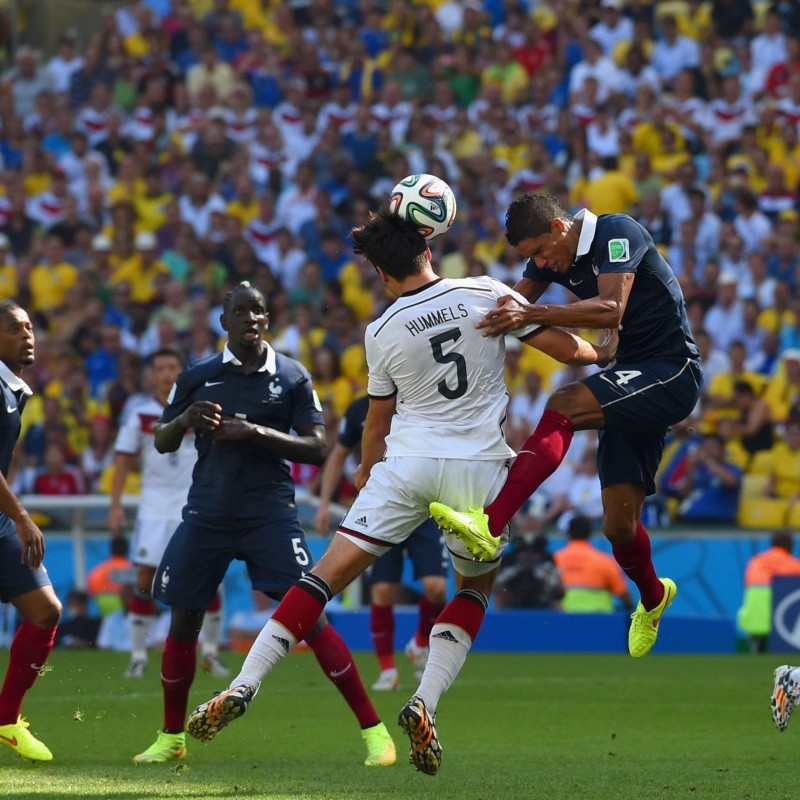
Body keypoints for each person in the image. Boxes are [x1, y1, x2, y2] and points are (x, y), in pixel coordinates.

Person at [185, 211, 616, 776]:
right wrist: (603, 349)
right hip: (478, 469)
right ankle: (424, 701)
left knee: (322, 578)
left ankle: (245, 684)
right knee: (473, 589)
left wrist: (367, 470)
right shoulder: (484, 292)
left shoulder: (382, 329)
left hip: (407, 464)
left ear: (384, 276)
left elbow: (376, 421)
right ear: (428, 248)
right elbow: (568, 352)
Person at [133, 282, 396, 768]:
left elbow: (318, 448)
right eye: (241, 311)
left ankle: (375, 734)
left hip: (269, 515)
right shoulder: (198, 375)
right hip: (207, 513)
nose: (251, 318)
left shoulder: (292, 376)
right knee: (185, 619)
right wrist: (186, 417)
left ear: (268, 321)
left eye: (258, 311)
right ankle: (171, 736)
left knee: (311, 619)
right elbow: (163, 442)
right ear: (224, 321)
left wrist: (255, 431)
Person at [431, 193, 703, 659]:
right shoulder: (553, 260)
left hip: (672, 369)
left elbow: (610, 309)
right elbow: (510, 303)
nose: (540, 263)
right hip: (630, 375)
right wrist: (446, 324)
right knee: (619, 525)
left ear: (559, 228)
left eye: (539, 251)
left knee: (566, 401)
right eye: (531, 257)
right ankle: (655, 597)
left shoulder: (618, 232)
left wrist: (531, 314)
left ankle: (492, 522)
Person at [108, 346, 228, 679]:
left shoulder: (202, 410)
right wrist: (115, 504)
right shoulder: (141, 413)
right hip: (154, 506)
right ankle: (138, 655)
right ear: (151, 374)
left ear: (181, 372)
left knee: (210, 578)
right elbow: (122, 460)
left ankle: (212, 653)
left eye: (171, 367)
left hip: (196, 502)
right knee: (145, 579)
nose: (164, 374)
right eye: (159, 367)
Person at [314, 393, 447, 691]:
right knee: (383, 590)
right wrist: (324, 503)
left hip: (424, 504)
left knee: (436, 589)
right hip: (381, 507)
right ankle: (388, 671)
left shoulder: (421, 397)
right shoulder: (361, 407)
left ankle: (420, 642)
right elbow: (338, 453)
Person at [0, 301, 62, 761]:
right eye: (17, 328)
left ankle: (5, 720)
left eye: (30, 327)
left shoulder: (13, 389)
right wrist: (22, 517)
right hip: (7, 517)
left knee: (45, 609)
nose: (29, 335)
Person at [554, 515, 634, 613]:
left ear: (568, 534)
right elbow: (623, 593)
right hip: (600, 620)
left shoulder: (555, 560)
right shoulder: (604, 561)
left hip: (561, 619)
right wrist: (631, 609)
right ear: (589, 533)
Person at [739, 532, 800, 655]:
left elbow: (747, 581)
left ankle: (755, 648)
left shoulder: (756, 561)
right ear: (790, 546)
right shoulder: (793, 564)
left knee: (757, 637)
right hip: (779, 603)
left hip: (754, 604)